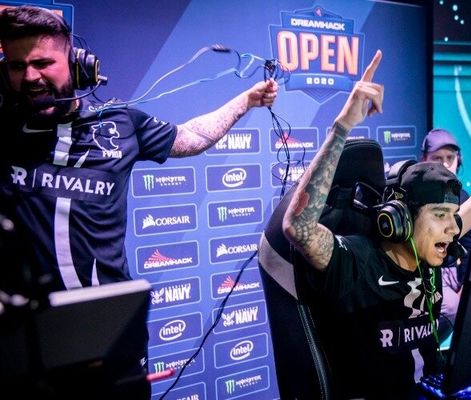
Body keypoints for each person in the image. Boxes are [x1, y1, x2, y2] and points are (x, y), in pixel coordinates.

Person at [0, 5, 278, 398]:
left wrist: (245, 101)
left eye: (43, 63)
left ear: (77, 65)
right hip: (22, 336)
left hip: (110, 332)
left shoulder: (120, 123)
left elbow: (191, 138)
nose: (30, 77)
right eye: (16, 66)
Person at [283, 49, 471, 398]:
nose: (453, 228)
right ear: (401, 220)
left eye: (452, 215)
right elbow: (298, 227)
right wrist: (343, 126)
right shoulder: (357, 261)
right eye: (439, 215)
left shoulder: (428, 247)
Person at [419, 128, 471, 333]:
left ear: (458, 160)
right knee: (451, 307)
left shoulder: (464, 197)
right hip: (420, 272)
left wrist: (465, 285)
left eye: (450, 158)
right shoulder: (413, 194)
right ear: (425, 160)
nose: (445, 164)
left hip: (451, 271)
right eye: (438, 158)